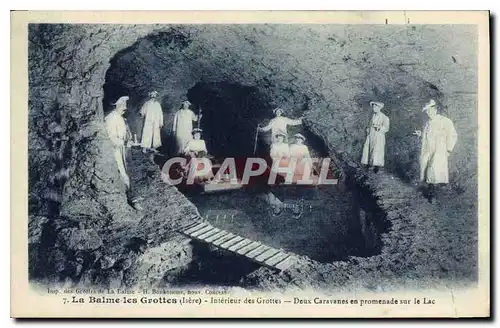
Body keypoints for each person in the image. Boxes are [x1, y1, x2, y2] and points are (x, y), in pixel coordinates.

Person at [413, 99, 458, 203]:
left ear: (435, 109)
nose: (429, 113)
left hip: (439, 150)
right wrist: (420, 134)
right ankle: (431, 191)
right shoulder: (428, 123)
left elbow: (452, 135)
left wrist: (449, 149)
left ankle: (433, 195)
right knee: (427, 168)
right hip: (428, 150)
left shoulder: (445, 121)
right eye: (427, 111)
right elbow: (426, 137)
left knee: (434, 170)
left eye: (430, 110)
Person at [105, 96, 142, 210]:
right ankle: (131, 199)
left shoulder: (121, 118)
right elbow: (111, 137)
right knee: (123, 172)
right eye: (122, 104)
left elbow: (125, 133)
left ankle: (133, 195)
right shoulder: (111, 118)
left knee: (129, 170)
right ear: (116, 104)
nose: (124, 107)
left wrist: (129, 141)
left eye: (125, 104)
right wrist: (124, 142)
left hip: (124, 148)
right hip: (116, 149)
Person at [361, 101, 390, 173]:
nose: (373, 108)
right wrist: (368, 128)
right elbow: (370, 124)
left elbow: (386, 128)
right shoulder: (373, 116)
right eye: (373, 107)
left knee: (377, 150)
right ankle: (369, 164)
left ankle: (376, 166)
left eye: (375, 107)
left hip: (379, 136)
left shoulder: (385, 117)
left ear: (379, 108)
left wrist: (379, 128)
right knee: (369, 148)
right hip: (371, 134)